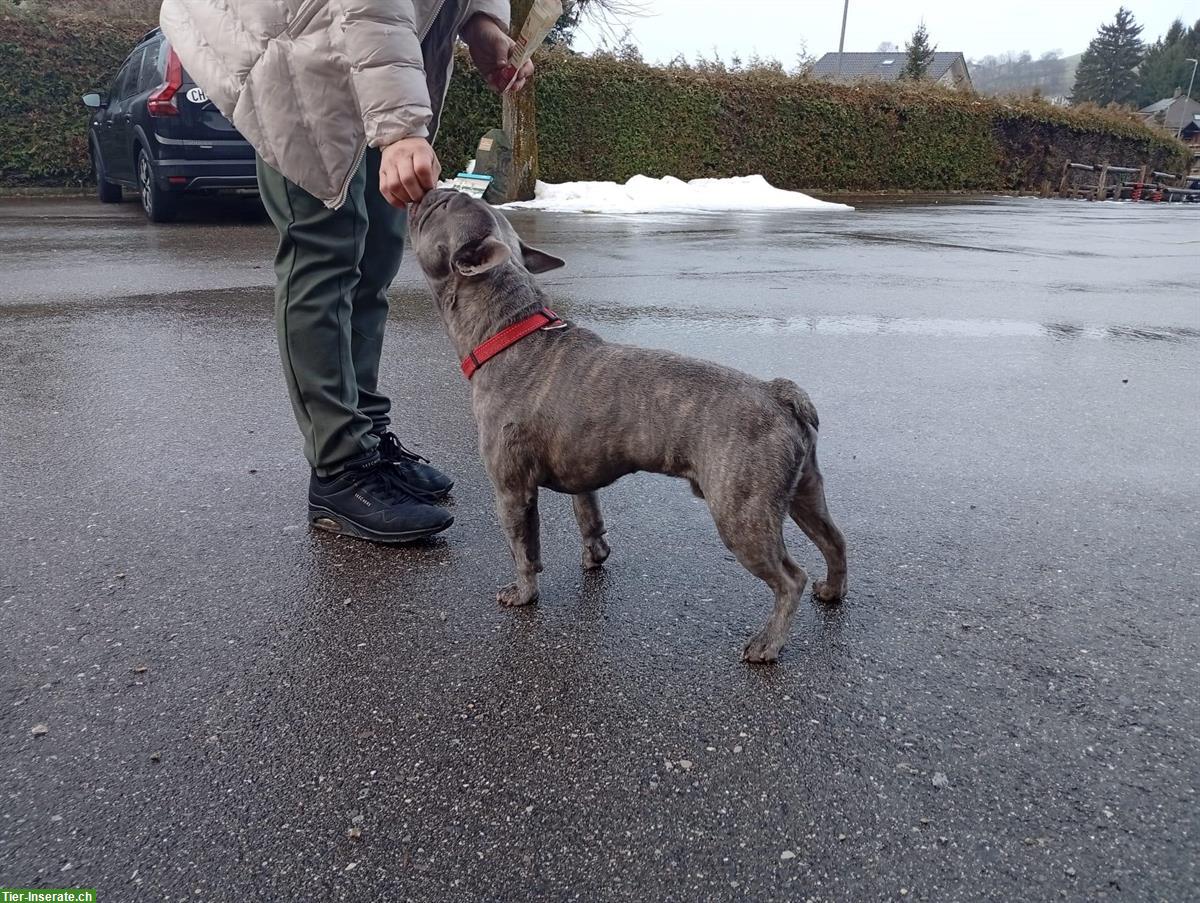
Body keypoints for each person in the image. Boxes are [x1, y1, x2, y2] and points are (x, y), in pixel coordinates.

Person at [159, 0, 532, 543]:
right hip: (296, 38)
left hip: (367, 50)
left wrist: (482, 22)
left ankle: (367, 434)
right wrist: (402, 126)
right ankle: (339, 467)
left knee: (377, 252)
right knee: (325, 250)